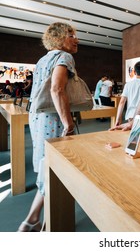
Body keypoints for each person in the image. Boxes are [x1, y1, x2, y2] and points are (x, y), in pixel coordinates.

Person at [17, 22, 79, 232]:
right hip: (53, 118)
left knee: (48, 167)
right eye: (71, 35)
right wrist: (68, 122)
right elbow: (57, 88)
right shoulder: (64, 57)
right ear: (61, 38)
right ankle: (34, 222)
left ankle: (36, 222)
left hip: (38, 117)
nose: (76, 39)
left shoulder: (43, 59)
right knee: (52, 168)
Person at [113, 61, 140, 127]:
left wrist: (118, 119)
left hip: (131, 115)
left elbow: (122, 102)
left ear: (134, 72)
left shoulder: (128, 85)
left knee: (132, 135)